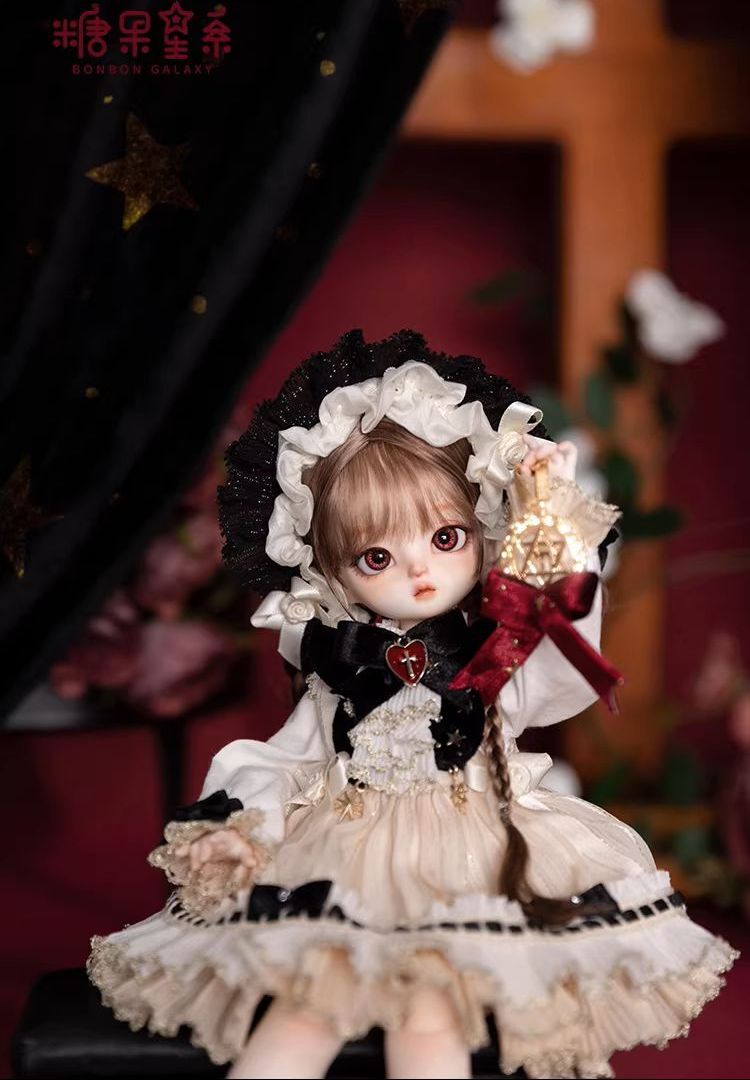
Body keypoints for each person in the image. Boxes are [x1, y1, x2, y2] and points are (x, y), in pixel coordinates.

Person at [87, 330, 738, 1080]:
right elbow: (282, 759)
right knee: (306, 1011)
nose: (419, 571)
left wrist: (555, 525)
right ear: (331, 570)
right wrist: (238, 824)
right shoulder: (338, 660)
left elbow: (563, 661)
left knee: (431, 1021)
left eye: (446, 537)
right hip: (345, 853)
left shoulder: (494, 652)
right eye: (377, 557)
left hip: (471, 856)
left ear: (484, 531)